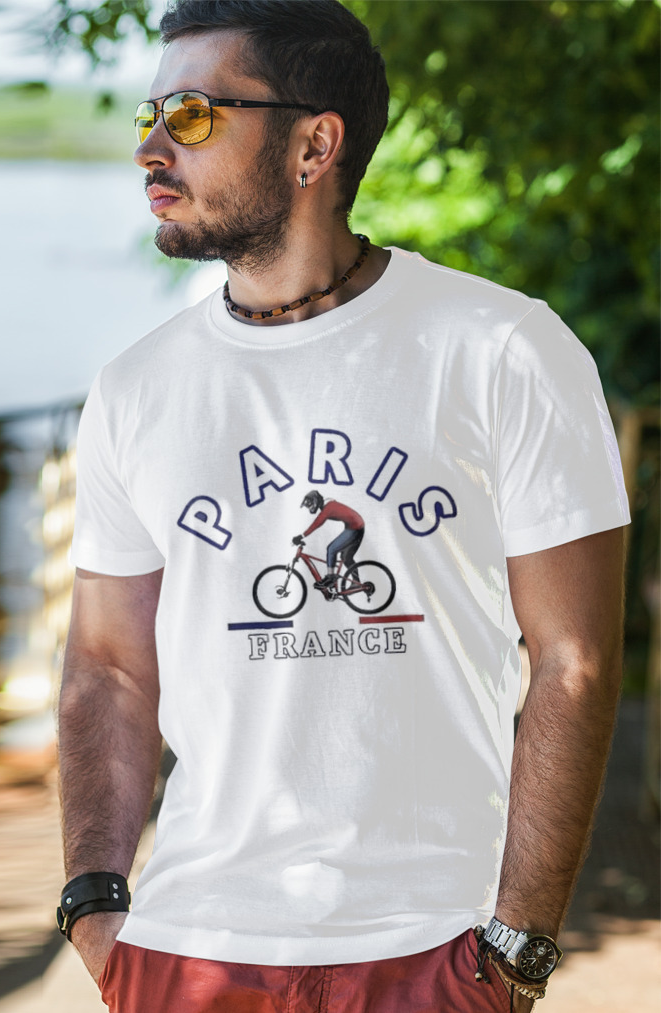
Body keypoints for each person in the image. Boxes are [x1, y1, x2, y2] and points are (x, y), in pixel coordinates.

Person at [57, 2, 630, 1011]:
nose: (150, 146)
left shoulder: (502, 348)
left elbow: (573, 660)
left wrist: (518, 949)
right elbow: (107, 660)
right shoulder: (137, 386)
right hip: (189, 951)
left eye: (191, 116)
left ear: (315, 142)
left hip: (432, 946)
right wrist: (97, 907)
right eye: (148, 116)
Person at [294, 489, 366, 589]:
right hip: (356, 525)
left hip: (354, 527)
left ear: (315, 501)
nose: (310, 508)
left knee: (331, 549)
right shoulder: (328, 505)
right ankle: (357, 583)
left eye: (310, 504)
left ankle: (331, 578)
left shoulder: (329, 508)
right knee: (346, 558)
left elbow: (317, 523)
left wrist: (301, 536)